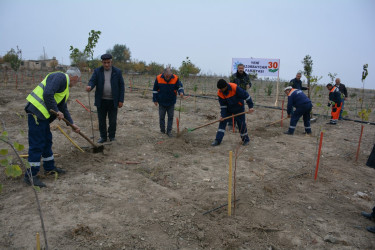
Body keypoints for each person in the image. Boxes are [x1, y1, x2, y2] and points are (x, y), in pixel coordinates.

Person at [24, 67, 81, 187]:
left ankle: (49, 168)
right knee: (37, 144)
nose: (77, 83)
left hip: (43, 116)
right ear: (74, 77)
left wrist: (71, 124)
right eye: (77, 80)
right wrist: (55, 110)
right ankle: (31, 175)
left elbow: (63, 107)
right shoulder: (60, 77)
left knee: (46, 141)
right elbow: (48, 93)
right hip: (36, 113)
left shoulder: (65, 87)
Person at [86, 53, 125, 143]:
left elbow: (121, 86)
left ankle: (112, 137)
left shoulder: (117, 72)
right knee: (101, 121)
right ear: (102, 62)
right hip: (101, 101)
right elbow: (92, 81)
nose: (106, 64)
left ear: (111, 62)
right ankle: (103, 137)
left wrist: (121, 100)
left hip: (113, 101)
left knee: (112, 121)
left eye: (108, 62)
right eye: (104, 62)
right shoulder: (97, 71)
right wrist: (89, 87)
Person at [211, 79, 254, 146]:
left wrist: (250, 107)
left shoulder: (234, 88)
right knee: (222, 121)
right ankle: (217, 140)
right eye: (220, 89)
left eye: (222, 89)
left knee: (241, 124)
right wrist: (223, 116)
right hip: (228, 109)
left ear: (226, 86)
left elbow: (246, 96)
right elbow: (223, 106)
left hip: (239, 108)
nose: (221, 90)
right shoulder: (220, 93)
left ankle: (246, 140)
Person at [153, 68, 184, 137]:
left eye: (169, 76)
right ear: (164, 74)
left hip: (171, 101)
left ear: (171, 74)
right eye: (167, 76)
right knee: (161, 117)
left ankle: (169, 131)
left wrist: (181, 92)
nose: (168, 78)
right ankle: (162, 131)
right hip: (161, 101)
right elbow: (155, 89)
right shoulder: (158, 78)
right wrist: (155, 100)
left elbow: (179, 87)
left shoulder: (175, 78)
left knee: (170, 117)